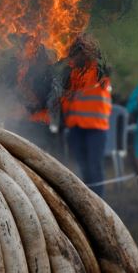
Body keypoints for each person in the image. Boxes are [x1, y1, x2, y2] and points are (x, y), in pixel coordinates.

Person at [51, 35, 112, 196]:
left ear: (84, 53)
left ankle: (100, 201)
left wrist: (89, 45)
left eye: (75, 55)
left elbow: (103, 67)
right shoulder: (70, 72)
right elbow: (64, 96)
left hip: (96, 128)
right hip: (76, 127)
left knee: (94, 166)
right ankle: (89, 199)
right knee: (83, 167)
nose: (72, 59)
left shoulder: (98, 69)